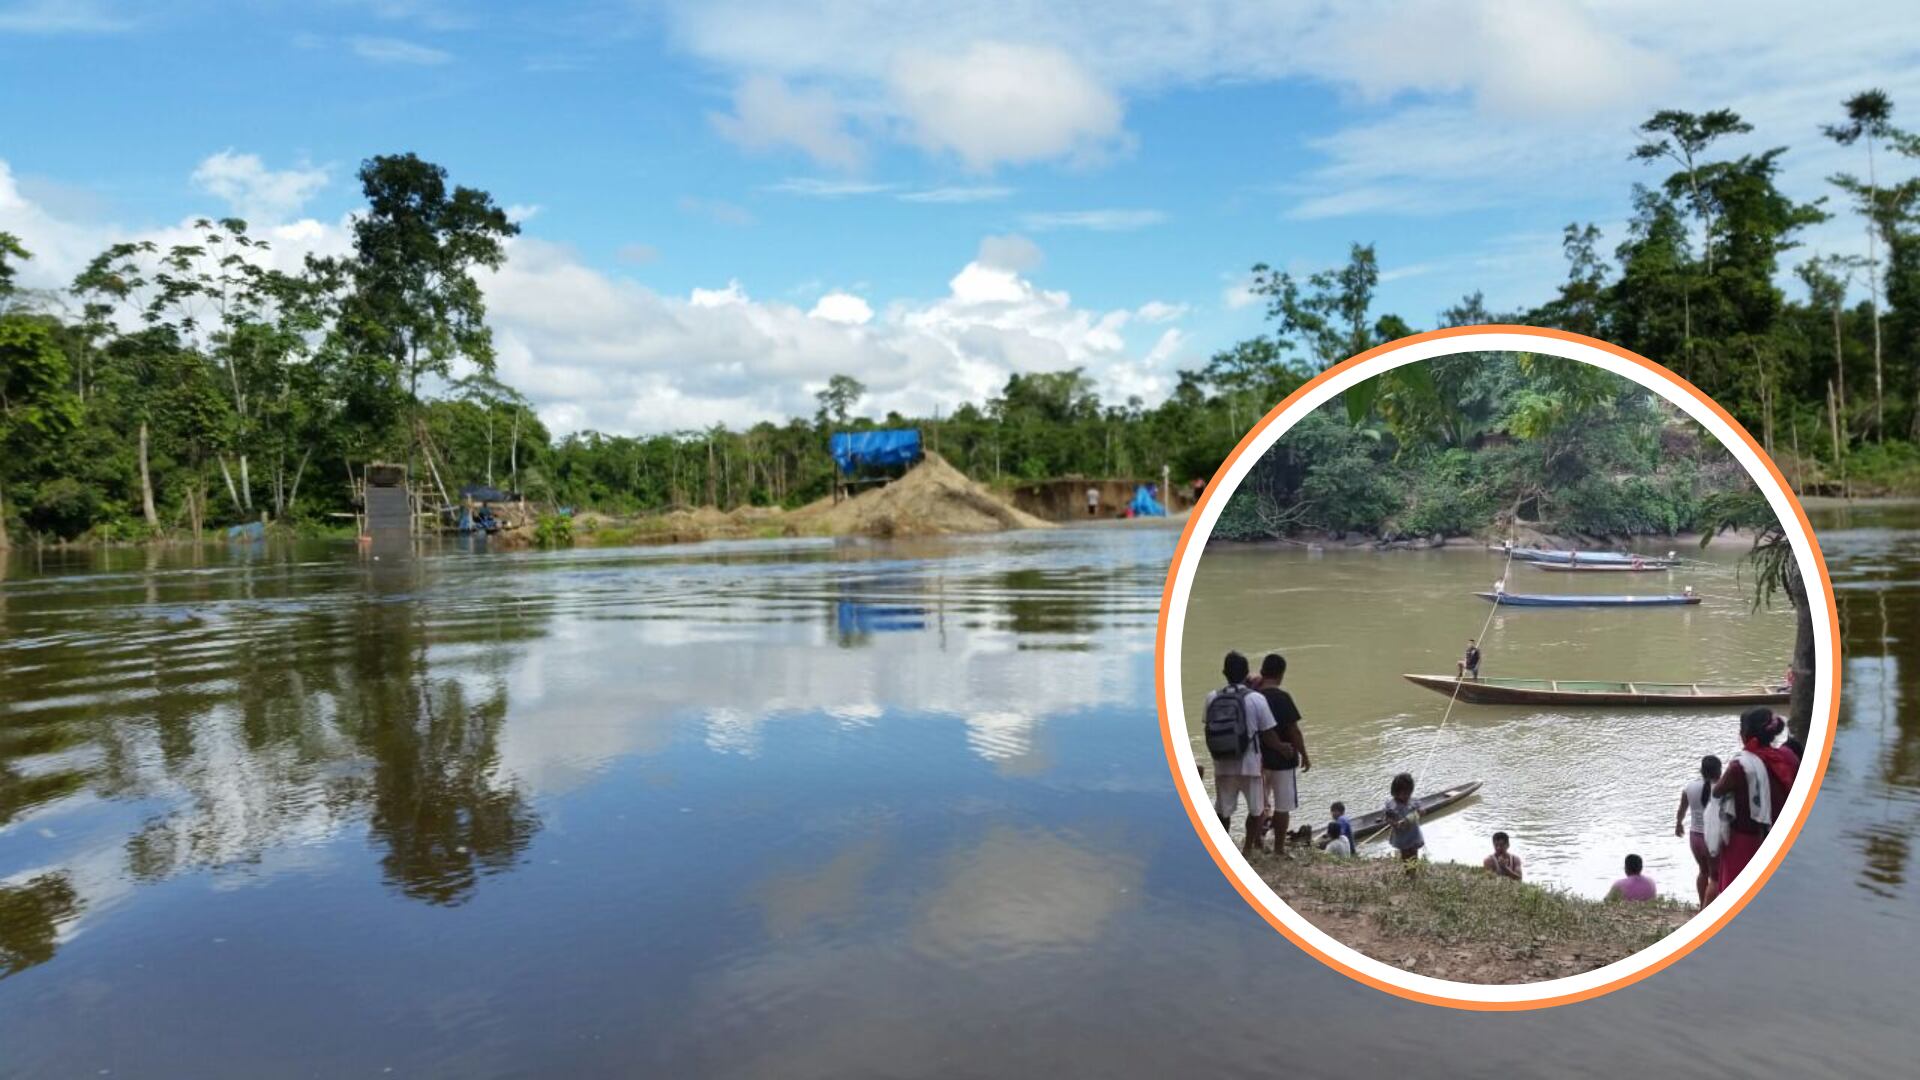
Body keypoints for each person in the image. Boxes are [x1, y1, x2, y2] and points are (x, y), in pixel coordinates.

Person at [1710, 708, 1801, 897]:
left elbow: (1718, 791)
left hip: (1745, 841)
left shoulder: (1741, 766)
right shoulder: (1788, 758)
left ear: (1744, 734)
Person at [1202, 651, 1285, 856]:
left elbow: (1207, 727)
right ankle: (1247, 849)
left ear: (1224, 672)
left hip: (1222, 763)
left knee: (1223, 810)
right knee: (1256, 811)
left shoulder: (1212, 697)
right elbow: (1268, 734)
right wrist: (1283, 748)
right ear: (1247, 673)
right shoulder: (1256, 699)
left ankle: (1222, 848)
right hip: (1250, 764)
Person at [1252, 653, 1310, 856]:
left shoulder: (1254, 697)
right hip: (1283, 761)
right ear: (1281, 674)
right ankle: (1278, 849)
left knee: (1259, 804)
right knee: (1282, 806)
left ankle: (1257, 842)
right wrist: (1304, 754)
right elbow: (1293, 730)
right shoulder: (1282, 698)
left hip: (1258, 760)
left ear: (1263, 671)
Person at [1675, 754, 1723, 905]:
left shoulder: (1689, 787)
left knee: (1703, 872)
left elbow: (1681, 810)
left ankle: (1702, 904)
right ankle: (1706, 910)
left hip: (1695, 837)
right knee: (1715, 878)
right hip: (1712, 837)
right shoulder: (1722, 788)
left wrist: (1679, 824)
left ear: (1701, 771)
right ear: (1719, 771)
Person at [1384, 773, 1424, 862]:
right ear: (1395, 792)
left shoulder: (1414, 801)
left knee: (1414, 854)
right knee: (1405, 854)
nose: (1406, 796)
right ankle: (1408, 871)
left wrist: (1420, 811)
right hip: (1402, 836)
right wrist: (1395, 824)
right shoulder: (1391, 805)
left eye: (1408, 793)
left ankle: (1413, 872)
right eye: (1404, 794)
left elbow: (1421, 811)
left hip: (1414, 834)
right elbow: (1388, 818)